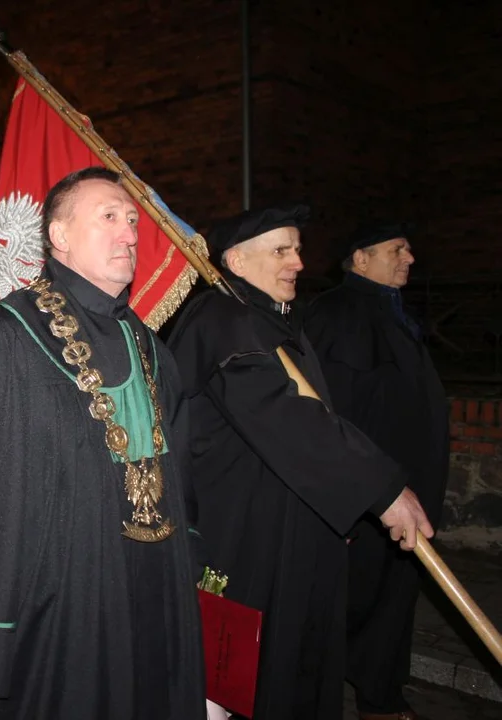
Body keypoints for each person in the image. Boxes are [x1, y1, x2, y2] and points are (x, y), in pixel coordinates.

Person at [0, 167, 206, 719]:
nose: (130, 234)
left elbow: (182, 478)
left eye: (133, 220)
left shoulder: (154, 350)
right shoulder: (3, 342)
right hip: (58, 612)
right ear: (59, 236)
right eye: (109, 217)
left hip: (147, 598)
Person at [165, 205, 434, 720]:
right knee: (241, 679)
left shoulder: (268, 319)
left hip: (287, 527)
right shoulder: (225, 322)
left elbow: (319, 415)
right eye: (281, 250)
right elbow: (289, 420)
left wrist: (340, 503)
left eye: (297, 248)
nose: (298, 262)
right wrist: (382, 490)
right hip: (244, 539)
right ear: (237, 262)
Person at [304, 223, 449, 720]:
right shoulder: (336, 313)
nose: (410, 255)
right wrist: (342, 495)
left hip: (404, 491)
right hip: (367, 498)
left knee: (393, 597)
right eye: (396, 248)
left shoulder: (391, 312)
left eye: (408, 246)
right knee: (356, 598)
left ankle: (379, 695)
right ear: (359, 259)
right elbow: (327, 413)